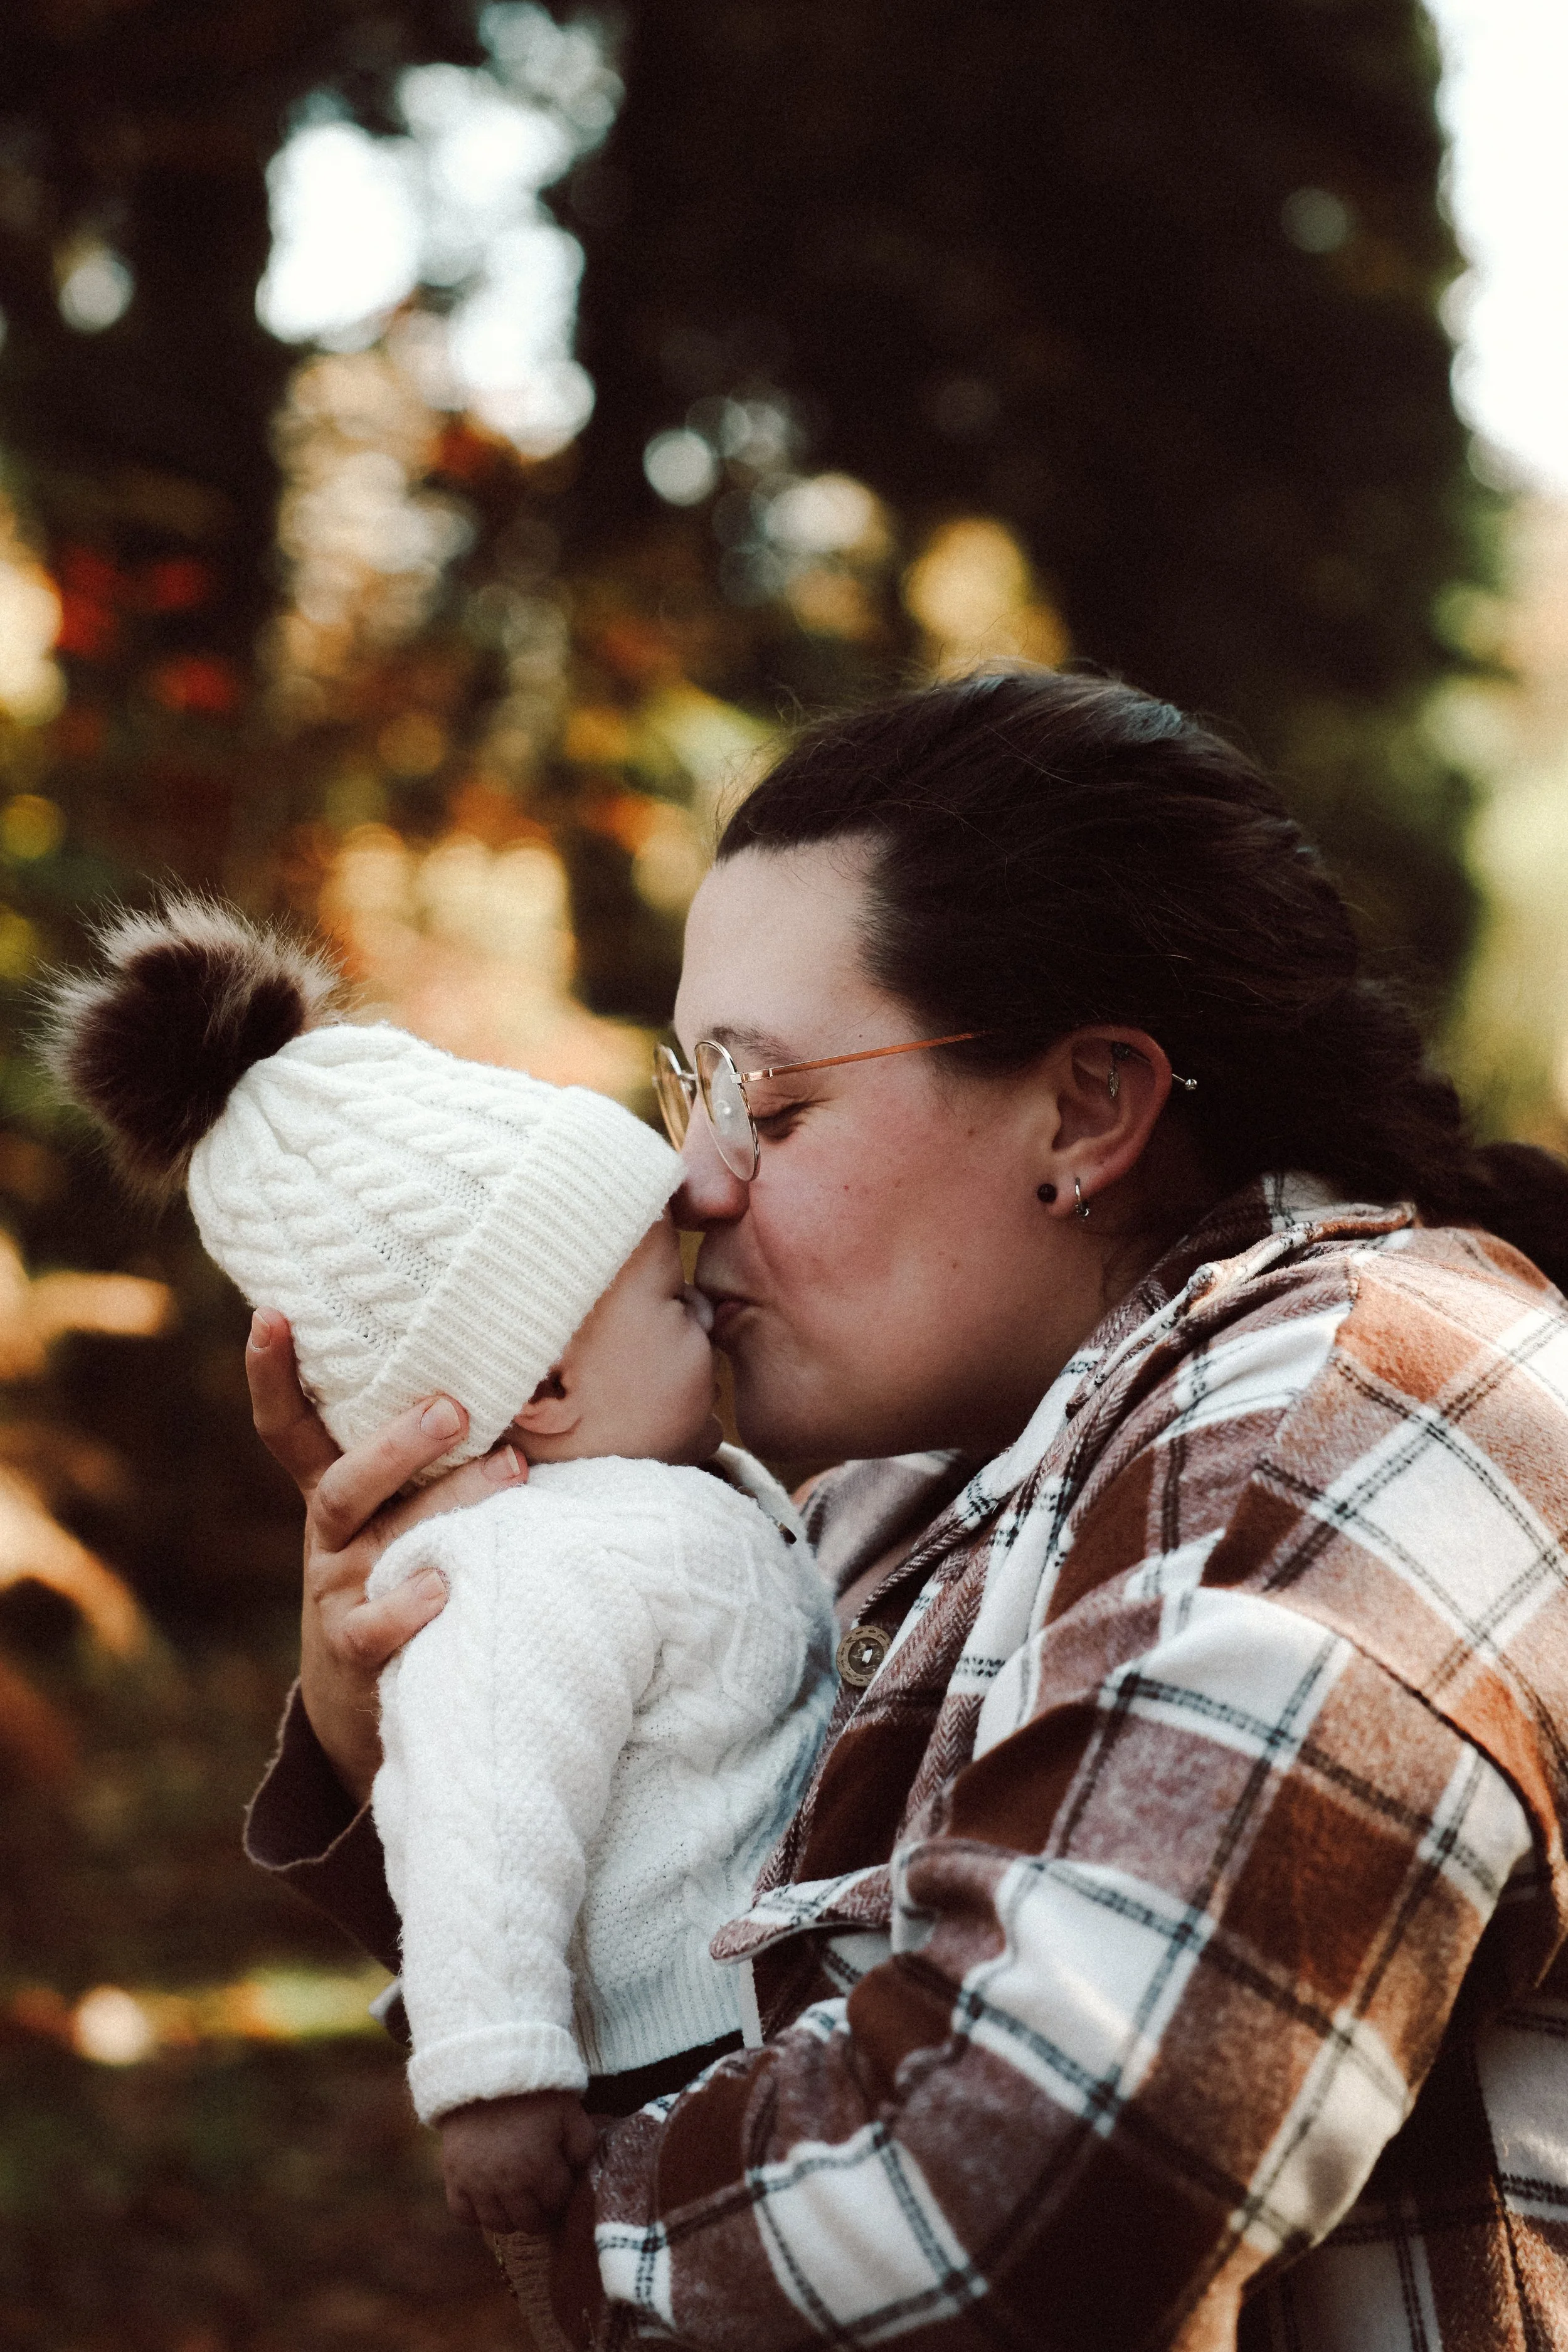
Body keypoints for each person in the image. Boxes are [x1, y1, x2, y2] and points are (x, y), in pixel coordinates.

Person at [243, 672, 1568, 2352]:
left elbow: (998, 2214)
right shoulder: (888, 1499)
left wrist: (558, 2216)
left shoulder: (1360, 1395)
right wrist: (432, 1710)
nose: (694, 1177)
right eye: (689, 1088)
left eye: (770, 1097)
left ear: (1087, 1106)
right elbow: (721, 2026)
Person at [41, 903, 835, 2243]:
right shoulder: (524, 1565)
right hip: (677, 2055)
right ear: (539, 1388)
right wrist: (494, 2074)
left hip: (769, 2013)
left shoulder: (654, 1500)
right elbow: (477, 1812)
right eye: (670, 1300)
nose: (704, 1303)